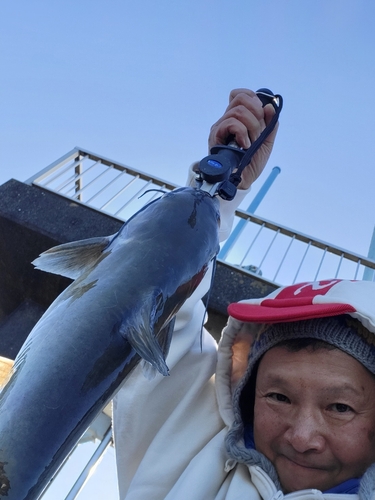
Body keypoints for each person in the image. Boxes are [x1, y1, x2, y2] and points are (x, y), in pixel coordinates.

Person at [112, 90, 375, 499]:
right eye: (278, 396)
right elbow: (157, 314)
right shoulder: (188, 455)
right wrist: (217, 187)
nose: (302, 437)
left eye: (339, 407)